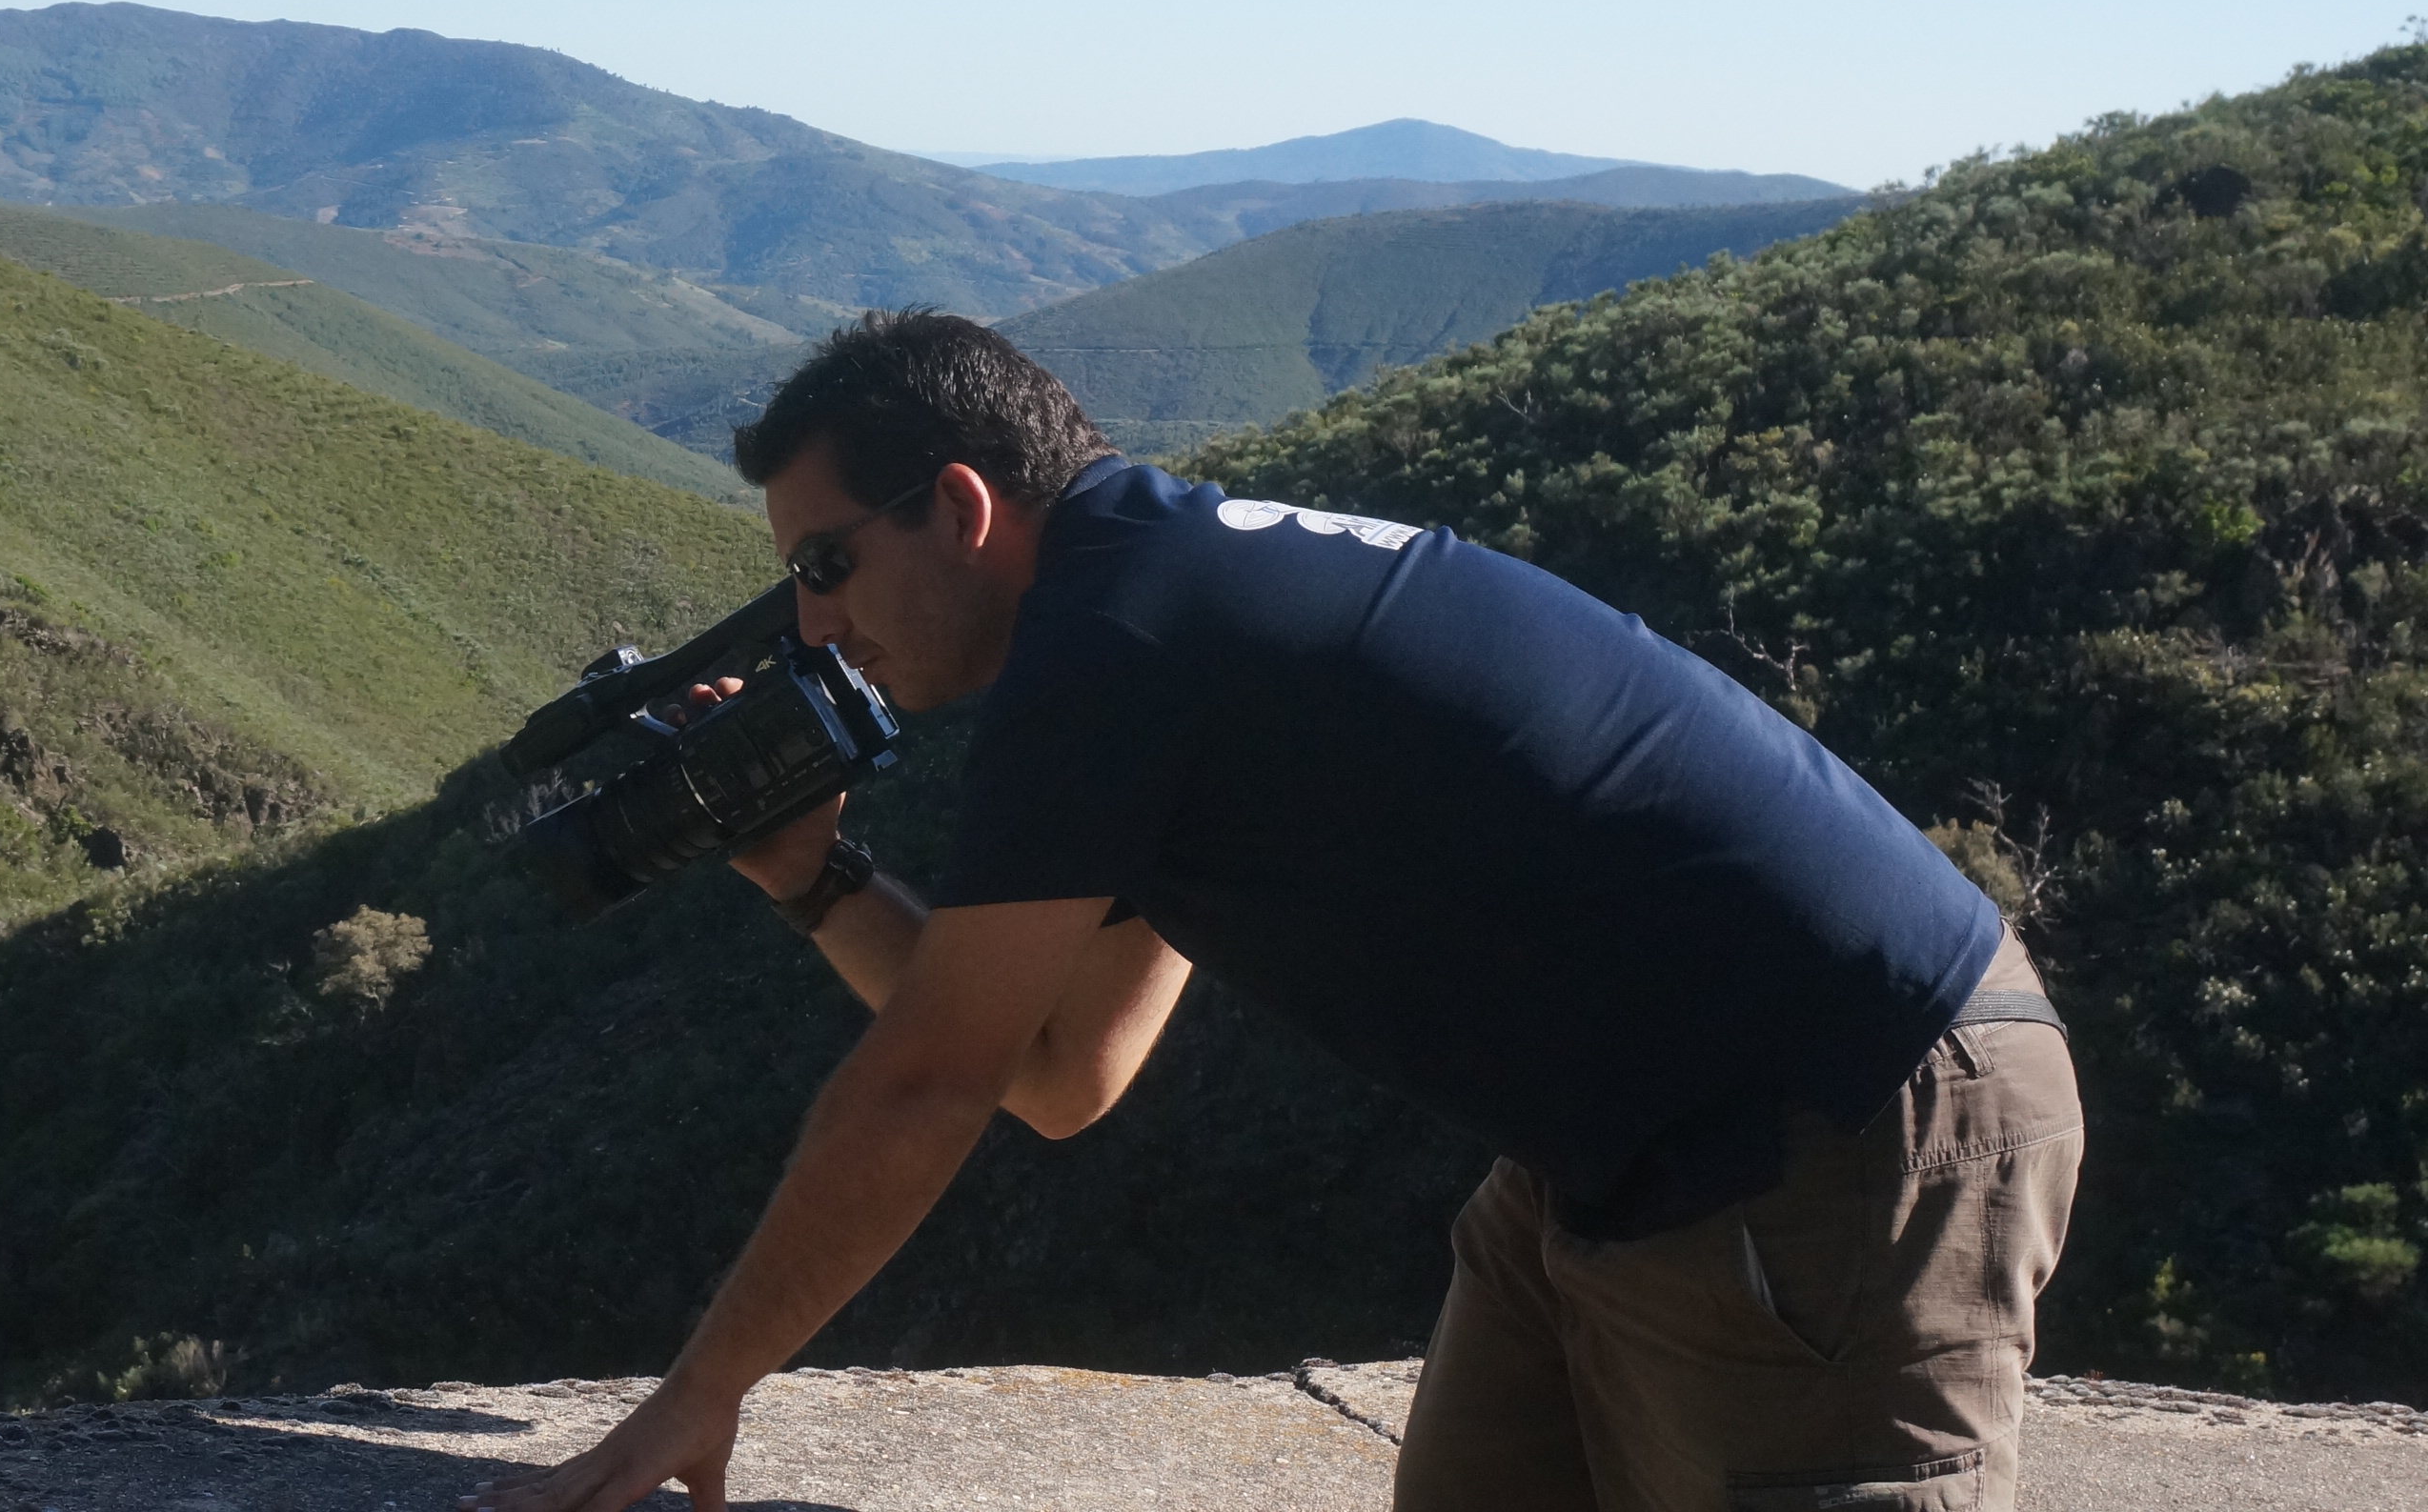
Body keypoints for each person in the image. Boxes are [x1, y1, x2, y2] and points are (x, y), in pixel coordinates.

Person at [458, 312, 2080, 1512]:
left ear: (958, 505)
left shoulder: (1116, 647)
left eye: (823, 565)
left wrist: (697, 1395)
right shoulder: (1168, 601)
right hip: (1621, 1146)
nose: (815, 626)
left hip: (1835, 1118)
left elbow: (930, 1082)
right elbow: (1064, 1076)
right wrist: (814, 874)